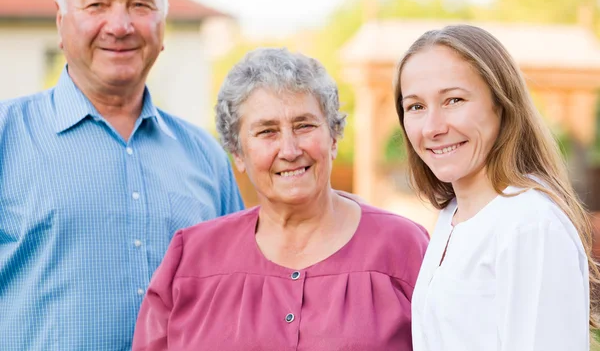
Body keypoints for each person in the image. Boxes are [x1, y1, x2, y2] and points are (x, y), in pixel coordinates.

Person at [0, 0, 244, 351]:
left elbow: (241, 297)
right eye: (96, 5)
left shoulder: (205, 157)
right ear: (61, 23)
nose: (120, 25)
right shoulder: (6, 137)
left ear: (162, 26)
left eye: (140, 5)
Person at [132, 47, 430, 350]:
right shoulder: (190, 257)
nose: (289, 150)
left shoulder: (404, 248)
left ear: (334, 138)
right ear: (238, 153)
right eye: (267, 131)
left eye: (304, 125)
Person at [394, 24, 598, 351]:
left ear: (501, 105)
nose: (432, 127)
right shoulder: (453, 213)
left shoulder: (530, 225)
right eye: (416, 106)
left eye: (454, 100)